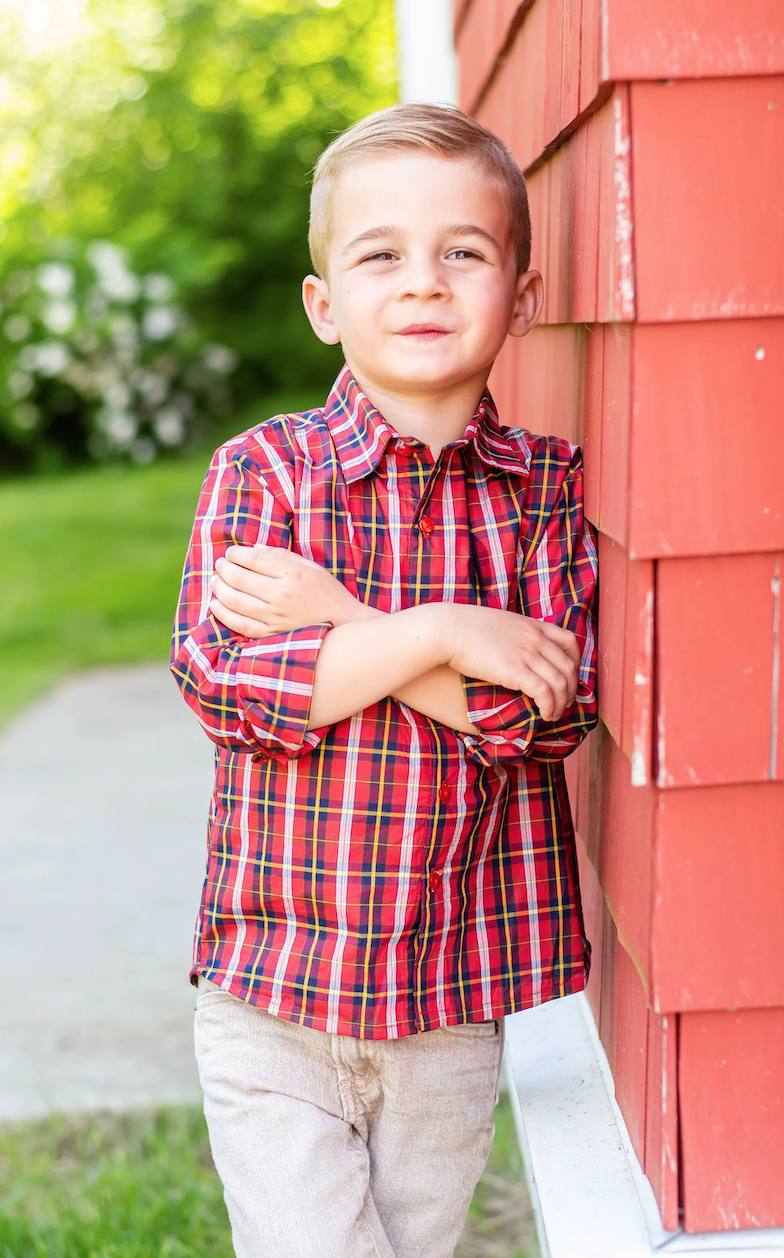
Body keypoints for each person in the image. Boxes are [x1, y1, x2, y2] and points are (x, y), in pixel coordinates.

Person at [170, 102, 598, 1258]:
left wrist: (352, 622)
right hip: (276, 991)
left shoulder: (544, 496)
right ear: (324, 304)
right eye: (380, 255)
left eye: (463, 252)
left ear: (521, 295)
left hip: (453, 997)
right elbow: (234, 687)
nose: (422, 283)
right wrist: (452, 630)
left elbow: (532, 722)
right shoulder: (262, 473)